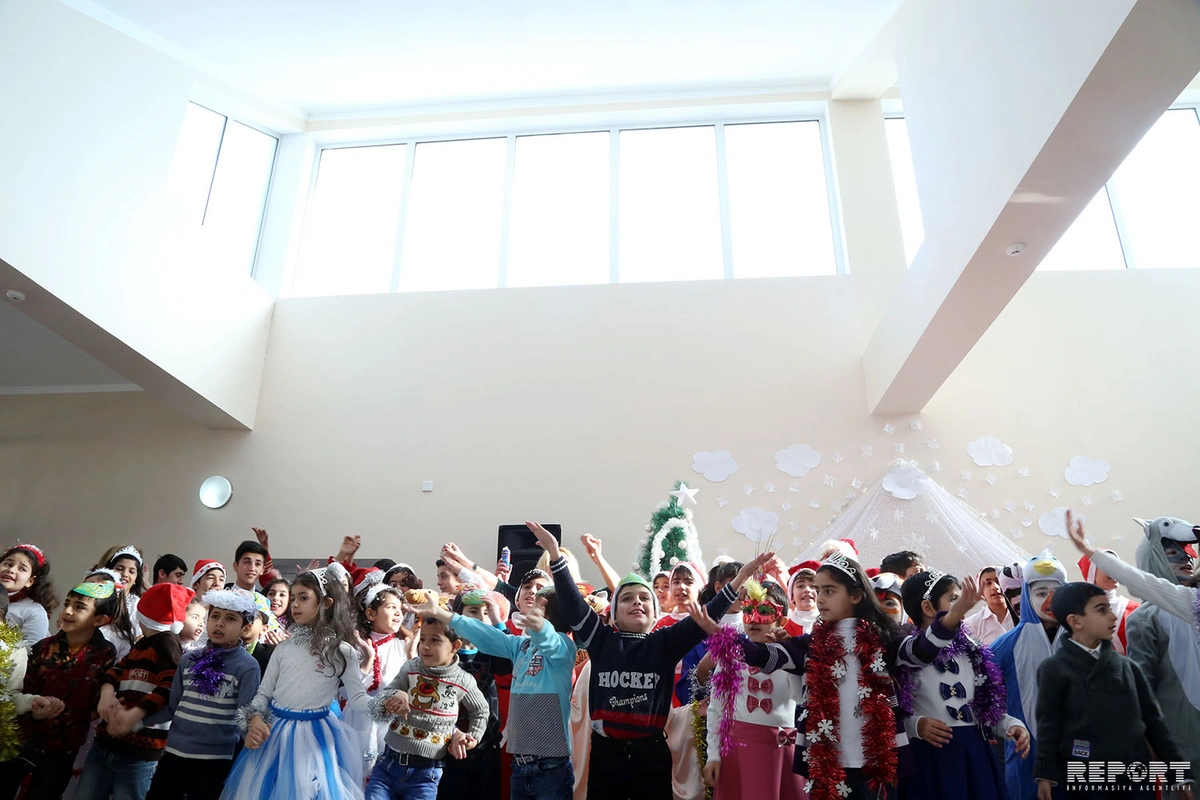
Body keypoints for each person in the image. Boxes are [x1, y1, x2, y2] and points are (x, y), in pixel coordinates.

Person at [533, 520, 771, 800]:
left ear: (655, 613)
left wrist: (740, 577)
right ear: (614, 614)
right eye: (627, 598)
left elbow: (707, 614)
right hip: (606, 756)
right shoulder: (601, 638)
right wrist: (555, 555)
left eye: (644, 598)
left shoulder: (665, 642)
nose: (637, 602)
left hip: (651, 754)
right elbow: (574, 605)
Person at [736, 552, 906, 800]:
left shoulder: (883, 640)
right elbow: (763, 655)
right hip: (827, 764)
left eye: (829, 591)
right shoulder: (812, 644)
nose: (820, 598)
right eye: (818, 590)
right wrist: (718, 633)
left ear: (856, 595)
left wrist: (953, 617)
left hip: (875, 764)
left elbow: (921, 650)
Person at [1065, 512, 1200, 796]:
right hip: (1181, 743)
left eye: (1188, 554)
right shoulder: (1160, 612)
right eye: (1172, 553)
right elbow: (1141, 688)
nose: (1186, 560)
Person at [412, 584, 575, 800]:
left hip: (551, 768)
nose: (530, 610)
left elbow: (551, 641)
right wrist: (443, 614)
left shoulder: (564, 648)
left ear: (549, 615)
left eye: (538, 607)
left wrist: (542, 628)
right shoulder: (521, 646)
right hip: (519, 765)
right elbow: (485, 635)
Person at [1034, 582, 1194, 800]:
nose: (1113, 616)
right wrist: (1045, 773)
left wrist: (1178, 776)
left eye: (1109, 608)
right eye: (1102, 610)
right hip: (1085, 774)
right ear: (1075, 621)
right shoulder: (1053, 670)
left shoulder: (1128, 667)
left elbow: (1155, 724)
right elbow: (1048, 725)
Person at [221, 568, 369, 800]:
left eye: (303, 598)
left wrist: (386, 703)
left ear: (326, 603)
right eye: (293, 598)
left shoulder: (342, 651)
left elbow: (358, 699)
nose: (295, 605)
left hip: (316, 737)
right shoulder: (284, 648)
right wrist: (256, 717)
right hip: (276, 735)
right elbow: (263, 694)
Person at [896, 571, 1029, 800]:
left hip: (975, 754)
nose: (964, 607)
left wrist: (1011, 724)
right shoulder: (906, 651)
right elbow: (892, 712)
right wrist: (916, 726)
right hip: (931, 758)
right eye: (954, 599)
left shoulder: (972, 651)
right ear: (928, 608)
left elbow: (982, 709)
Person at [75, 581, 193, 800]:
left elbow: (170, 686)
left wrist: (134, 715)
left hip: (140, 753)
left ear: (142, 616)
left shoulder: (166, 643)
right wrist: (107, 695)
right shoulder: (142, 644)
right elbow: (116, 671)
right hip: (106, 744)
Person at [2, 581, 118, 800]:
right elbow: (23, 689)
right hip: (25, 738)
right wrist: (35, 709)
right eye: (67, 603)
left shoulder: (105, 654)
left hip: (64, 747)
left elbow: (98, 697)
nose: (68, 611)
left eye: (79, 607)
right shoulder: (43, 647)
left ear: (99, 620)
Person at [143, 588, 262, 800]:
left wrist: (254, 739)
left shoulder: (247, 666)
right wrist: (137, 720)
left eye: (230, 618)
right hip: (174, 753)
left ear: (245, 628)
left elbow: (245, 716)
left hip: (215, 761)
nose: (220, 623)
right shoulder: (188, 659)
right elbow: (172, 706)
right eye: (215, 616)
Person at [365, 614, 490, 800]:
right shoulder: (410, 668)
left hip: (426, 775)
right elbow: (376, 706)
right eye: (422, 639)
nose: (425, 646)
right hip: (388, 766)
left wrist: (472, 738)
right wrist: (394, 695)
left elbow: (480, 711)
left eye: (435, 640)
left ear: (455, 646)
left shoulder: (464, 681)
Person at [702, 579, 805, 800]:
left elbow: (799, 696)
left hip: (778, 753)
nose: (755, 619)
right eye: (749, 610)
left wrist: (790, 659)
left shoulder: (790, 655)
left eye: (764, 611)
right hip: (738, 752)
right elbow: (716, 708)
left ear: (781, 619)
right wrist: (713, 755)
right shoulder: (730, 656)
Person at [990, 552, 1068, 800]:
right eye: (1041, 593)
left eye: (1057, 592)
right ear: (1027, 595)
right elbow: (981, 695)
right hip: (1025, 759)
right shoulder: (1006, 644)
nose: (1050, 600)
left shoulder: (1083, 640)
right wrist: (1003, 724)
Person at [437, 588, 504, 800]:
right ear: (457, 616)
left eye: (486, 612)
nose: (481, 618)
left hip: (486, 748)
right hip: (448, 747)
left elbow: (508, 663)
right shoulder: (444, 656)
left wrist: (497, 621)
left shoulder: (491, 653)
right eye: (473, 611)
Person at [349, 582, 412, 774]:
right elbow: (348, 691)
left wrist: (412, 656)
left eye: (400, 609)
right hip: (358, 721)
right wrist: (368, 660)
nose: (398, 613)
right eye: (391, 607)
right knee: (357, 772)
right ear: (371, 614)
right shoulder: (355, 646)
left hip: (391, 722)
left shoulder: (402, 647)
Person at [1076, 550, 1138, 654]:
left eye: (1117, 564)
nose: (1115, 569)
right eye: (1108, 565)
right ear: (1092, 572)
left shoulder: (1135, 609)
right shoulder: (1079, 613)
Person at [1, 543, 57, 647]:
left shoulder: (34, 611)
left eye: (22, 569)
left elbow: (31, 651)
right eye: (8, 564)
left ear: (30, 581)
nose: (11, 570)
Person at [964, 566, 1017, 646]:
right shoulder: (972, 624)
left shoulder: (1023, 616)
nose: (995, 587)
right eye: (988, 583)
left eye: (998, 581)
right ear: (980, 591)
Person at [784, 561, 819, 636]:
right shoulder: (785, 627)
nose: (807, 590)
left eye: (813, 586)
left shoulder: (832, 617)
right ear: (792, 596)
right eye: (800, 586)